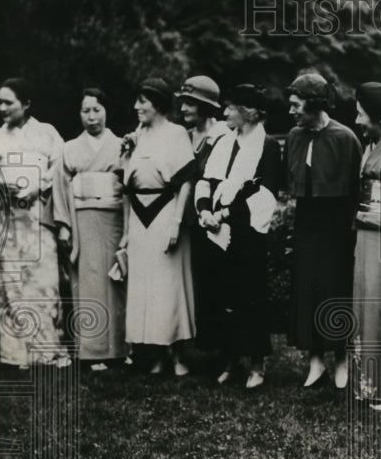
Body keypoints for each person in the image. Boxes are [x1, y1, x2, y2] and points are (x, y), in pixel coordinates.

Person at [195, 84, 281, 390]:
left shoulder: (267, 146)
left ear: (248, 112)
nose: (225, 112)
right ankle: (231, 359)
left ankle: (257, 364)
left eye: (231, 107)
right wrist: (205, 210)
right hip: (218, 231)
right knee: (224, 296)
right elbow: (207, 181)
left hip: (247, 232)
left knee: (250, 297)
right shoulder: (224, 142)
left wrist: (226, 214)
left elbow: (266, 195)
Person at [285, 73, 362, 389]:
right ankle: (316, 362)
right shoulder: (293, 136)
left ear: (314, 104)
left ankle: (341, 361)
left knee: (335, 292)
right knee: (308, 291)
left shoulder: (345, 138)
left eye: (296, 104)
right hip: (306, 223)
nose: (291, 111)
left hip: (337, 227)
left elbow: (358, 190)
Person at [0, 78, 72, 369]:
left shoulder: (47, 134)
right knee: (12, 285)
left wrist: (38, 186)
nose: (2, 107)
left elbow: (60, 168)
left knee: (44, 282)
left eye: (8, 102)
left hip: (38, 216)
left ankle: (48, 351)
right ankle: (15, 355)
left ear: (25, 104)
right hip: (7, 219)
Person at [120, 77, 197, 376]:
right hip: (140, 219)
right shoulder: (137, 135)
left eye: (143, 101)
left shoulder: (176, 134)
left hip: (166, 214)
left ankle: (178, 354)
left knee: (168, 286)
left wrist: (177, 222)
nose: (136, 107)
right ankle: (155, 352)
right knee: (145, 288)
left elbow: (186, 181)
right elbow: (127, 185)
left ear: (159, 104)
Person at [53, 88, 128, 370]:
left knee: (116, 279)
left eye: (97, 110)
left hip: (114, 217)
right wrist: (63, 225)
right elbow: (61, 188)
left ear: (106, 111)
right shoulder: (69, 148)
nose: (92, 117)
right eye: (86, 111)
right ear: (79, 114)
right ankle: (92, 351)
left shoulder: (122, 145)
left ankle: (121, 348)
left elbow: (129, 186)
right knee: (87, 282)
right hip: (81, 218)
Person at [352, 82, 381, 411]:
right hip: (366, 234)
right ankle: (368, 386)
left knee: (380, 310)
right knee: (363, 308)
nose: (356, 120)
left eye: (360, 113)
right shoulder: (374, 144)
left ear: (379, 117)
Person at [176, 75, 231, 354]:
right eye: (183, 103)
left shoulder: (222, 136)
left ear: (206, 107)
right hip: (186, 221)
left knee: (215, 284)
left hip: (214, 221)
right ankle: (201, 349)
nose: (184, 109)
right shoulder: (183, 136)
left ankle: (220, 353)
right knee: (193, 284)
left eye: (190, 103)